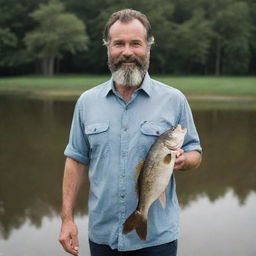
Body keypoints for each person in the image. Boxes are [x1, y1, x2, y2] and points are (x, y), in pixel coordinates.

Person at [59, 8, 202, 256]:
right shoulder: (86, 102)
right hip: (102, 237)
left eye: (135, 43)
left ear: (148, 47)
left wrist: (183, 160)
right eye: (119, 44)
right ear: (108, 48)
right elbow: (75, 160)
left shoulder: (174, 99)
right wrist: (67, 218)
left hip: (157, 240)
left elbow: (195, 153)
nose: (127, 52)